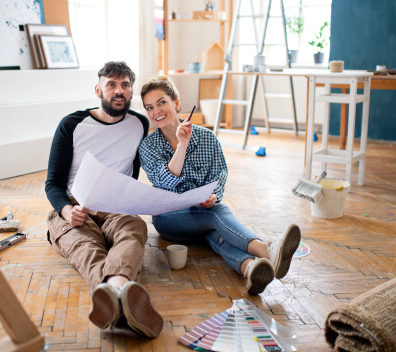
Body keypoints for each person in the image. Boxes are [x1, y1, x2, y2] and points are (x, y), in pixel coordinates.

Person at [138, 76, 301, 294]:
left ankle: (250, 269)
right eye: (149, 107)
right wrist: (182, 146)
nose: (156, 111)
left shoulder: (207, 137)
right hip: (168, 218)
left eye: (161, 102)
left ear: (176, 103)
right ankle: (267, 250)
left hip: (202, 214)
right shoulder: (148, 146)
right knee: (217, 213)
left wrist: (213, 195)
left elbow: (219, 174)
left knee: (215, 233)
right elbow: (165, 181)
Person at [45, 62, 163, 338]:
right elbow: (52, 183)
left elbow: (132, 172)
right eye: (111, 84)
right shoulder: (72, 124)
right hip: (76, 204)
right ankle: (123, 297)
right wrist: (64, 210)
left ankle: (116, 292)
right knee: (84, 246)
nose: (118, 91)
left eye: (124, 85)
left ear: (131, 90)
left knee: (134, 231)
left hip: (115, 204)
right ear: (98, 89)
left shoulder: (139, 124)